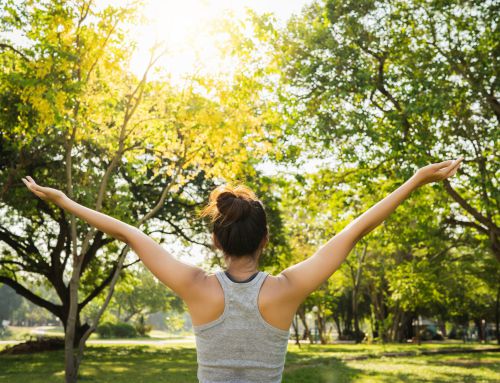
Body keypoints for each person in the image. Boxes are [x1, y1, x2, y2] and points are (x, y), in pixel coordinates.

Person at [21, 157, 463, 382]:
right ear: (265, 240)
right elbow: (353, 232)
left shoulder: (196, 288)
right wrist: (415, 180)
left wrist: (64, 201)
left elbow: (131, 235)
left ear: (216, 240)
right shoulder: (286, 290)